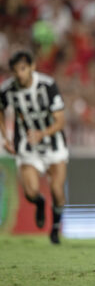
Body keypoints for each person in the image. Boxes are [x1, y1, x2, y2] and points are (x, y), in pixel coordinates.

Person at [0, 51, 68, 244]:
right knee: (30, 192)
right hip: (27, 146)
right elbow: (1, 109)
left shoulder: (47, 86)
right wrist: (5, 137)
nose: (19, 74)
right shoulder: (7, 90)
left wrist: (42, 134)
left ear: (32, 67)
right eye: (15, 71)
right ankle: (39, 202)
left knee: (57, 189)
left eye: (23, 69)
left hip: (54, 144)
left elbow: (60, 121)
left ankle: (55, 230)